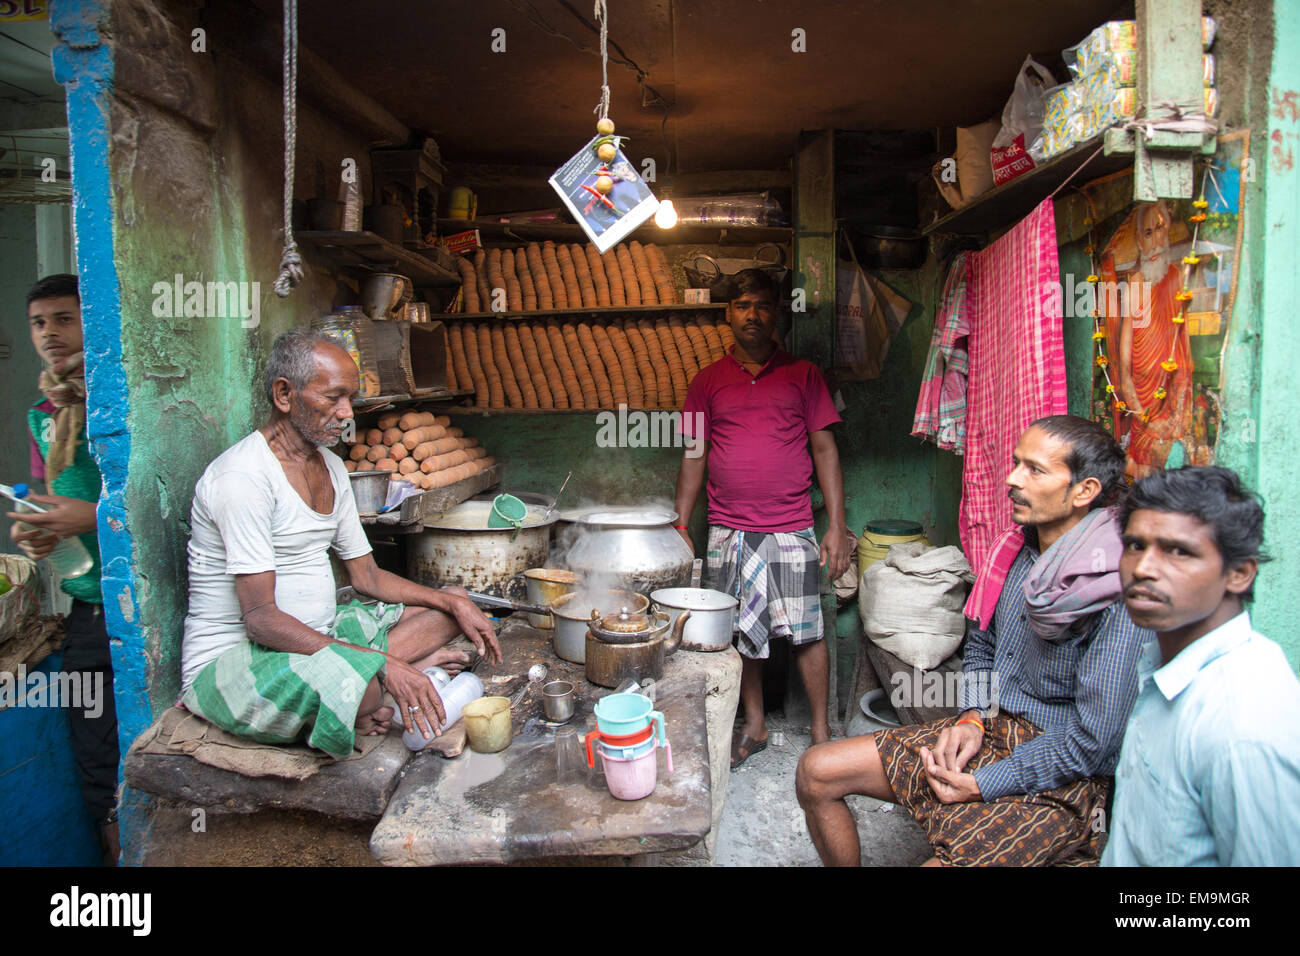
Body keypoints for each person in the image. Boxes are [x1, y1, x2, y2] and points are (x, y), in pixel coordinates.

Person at [797, 415, 1150, 866]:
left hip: (1061, 773)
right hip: (993, 731)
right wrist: (971, 719)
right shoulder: (1014, 551)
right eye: (1017, 463)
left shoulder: (1116, 589)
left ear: (1085, 491)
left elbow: (1093, 744)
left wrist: (987, 783)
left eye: (1035, 470)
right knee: (816, 771)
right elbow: (982, 643)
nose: (1012, 479)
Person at [178, 328, 500, 758]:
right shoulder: (242, 479)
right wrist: (381, 665)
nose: (347, 413)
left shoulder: (329, 465)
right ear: (284, 395)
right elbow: (260, 620)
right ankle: (378, 684)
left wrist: (451, 603)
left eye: (351, 398)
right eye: (333, 398)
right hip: (242, 659)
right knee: (364, 687)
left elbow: (366, 575)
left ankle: (381, 677)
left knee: (454, 605)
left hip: (317, 635)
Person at [674, 268, 852, 768]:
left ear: (778, 313)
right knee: (741, 630)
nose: (752, 315)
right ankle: (755, 723)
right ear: (728, 314)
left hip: (792, 524)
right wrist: (681, 524)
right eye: (742, 305)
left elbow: (825, 449)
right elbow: (693, 454)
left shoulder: (805, 375)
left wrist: (835, 526)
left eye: (763, 305)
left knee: (807, 630)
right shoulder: (705, 382)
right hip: (729, 527)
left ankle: (820, 730)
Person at [1103, 466, 1300, 866]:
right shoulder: (1167, 667)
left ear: (1238, 573)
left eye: (1178, 551)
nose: (1143, 568)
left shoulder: (1242, 729)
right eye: (1136, 545)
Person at [5, 273, 120, 865]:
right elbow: (46, 498)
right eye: (38, 322)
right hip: (86, 612)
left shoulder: (121, 401)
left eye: (64, 319)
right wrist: (36, 533)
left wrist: (94, 517)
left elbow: (164, 505)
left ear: (93, 319)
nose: (50, 333)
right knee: (99, 765)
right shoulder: (42, 416)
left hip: (144, 604)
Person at [1103, 199, 1196, 479]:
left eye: (1159, 230)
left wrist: (1175, 411)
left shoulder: (1177, 277)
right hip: (1142, 403)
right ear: (1139, 243)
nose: (1155, 240)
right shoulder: (1135, 286)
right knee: (1141, 469)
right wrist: (1142, 413)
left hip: (1172, 399)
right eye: (1147, 233)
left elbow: (1185, 350)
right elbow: (1124, 366)